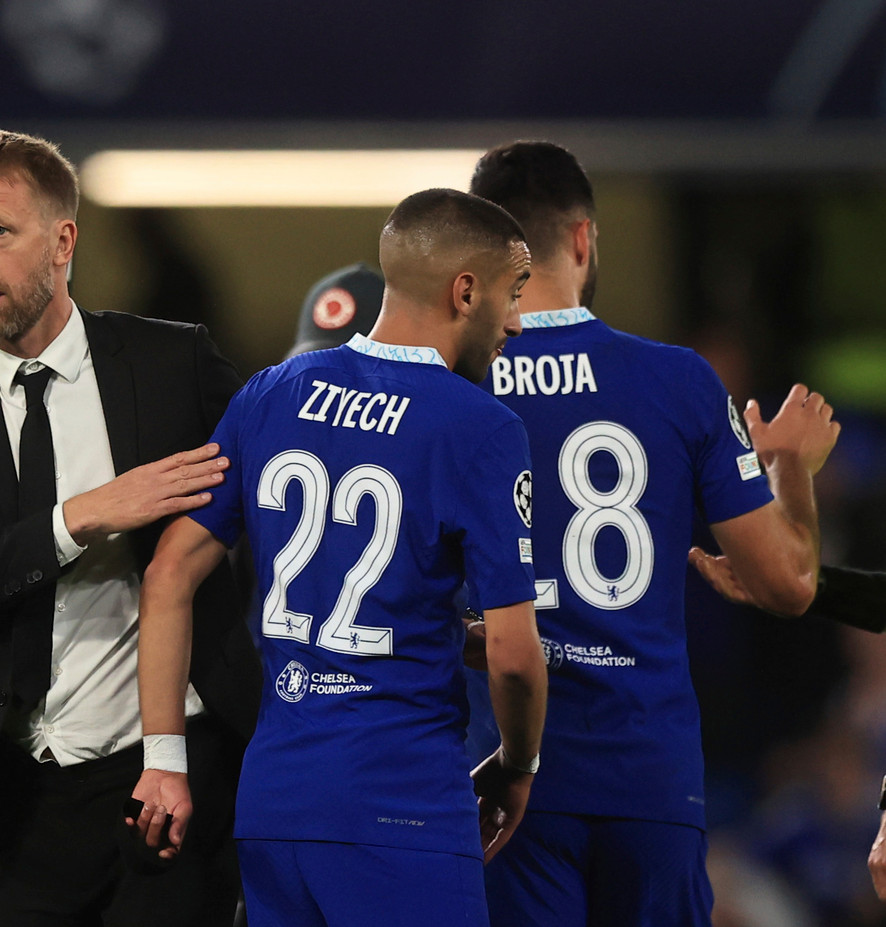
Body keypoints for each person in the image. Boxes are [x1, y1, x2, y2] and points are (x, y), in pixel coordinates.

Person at [132, 188, 549, 927]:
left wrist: (163, 758)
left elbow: (168, 573)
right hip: (402, 806)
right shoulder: (481, 426)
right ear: (465, 292)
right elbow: (515, 657)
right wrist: (517, 765)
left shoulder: (270, 392)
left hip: (276, 806)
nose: (517, 320)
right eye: (514, 293)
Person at [0, 129, 260, 926]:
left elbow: (277, 505)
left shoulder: (171, 365)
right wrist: (78, 517)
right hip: (24, 790)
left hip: (174, 764)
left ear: (63, 242)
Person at [462, 140, 837, 927]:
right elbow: (789, 584)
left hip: (503, 772)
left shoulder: (449, 387)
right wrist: (791, 470)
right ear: (583, 238)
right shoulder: (681, 380)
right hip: (648, 777)